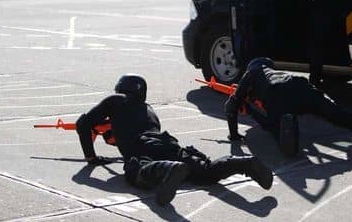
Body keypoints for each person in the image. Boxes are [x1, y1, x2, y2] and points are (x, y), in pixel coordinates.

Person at [76, 74, 273, 206]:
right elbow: (122, 132)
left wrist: (91, 157)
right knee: (205, 172)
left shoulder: (115, 100)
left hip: (141, 146)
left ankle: (168, 169)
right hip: (168, 143)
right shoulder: (149, 111)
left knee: (138, 171)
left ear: (121, 89)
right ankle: (245, 164)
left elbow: (83, 123)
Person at [225, 57, 352, 157]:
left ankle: (288, 133)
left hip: (277, 93)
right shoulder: (274, 71)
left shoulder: (251, 73)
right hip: (299, 85)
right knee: (342, 116)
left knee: (272, 125)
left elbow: (230, 106)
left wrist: (239, 127)